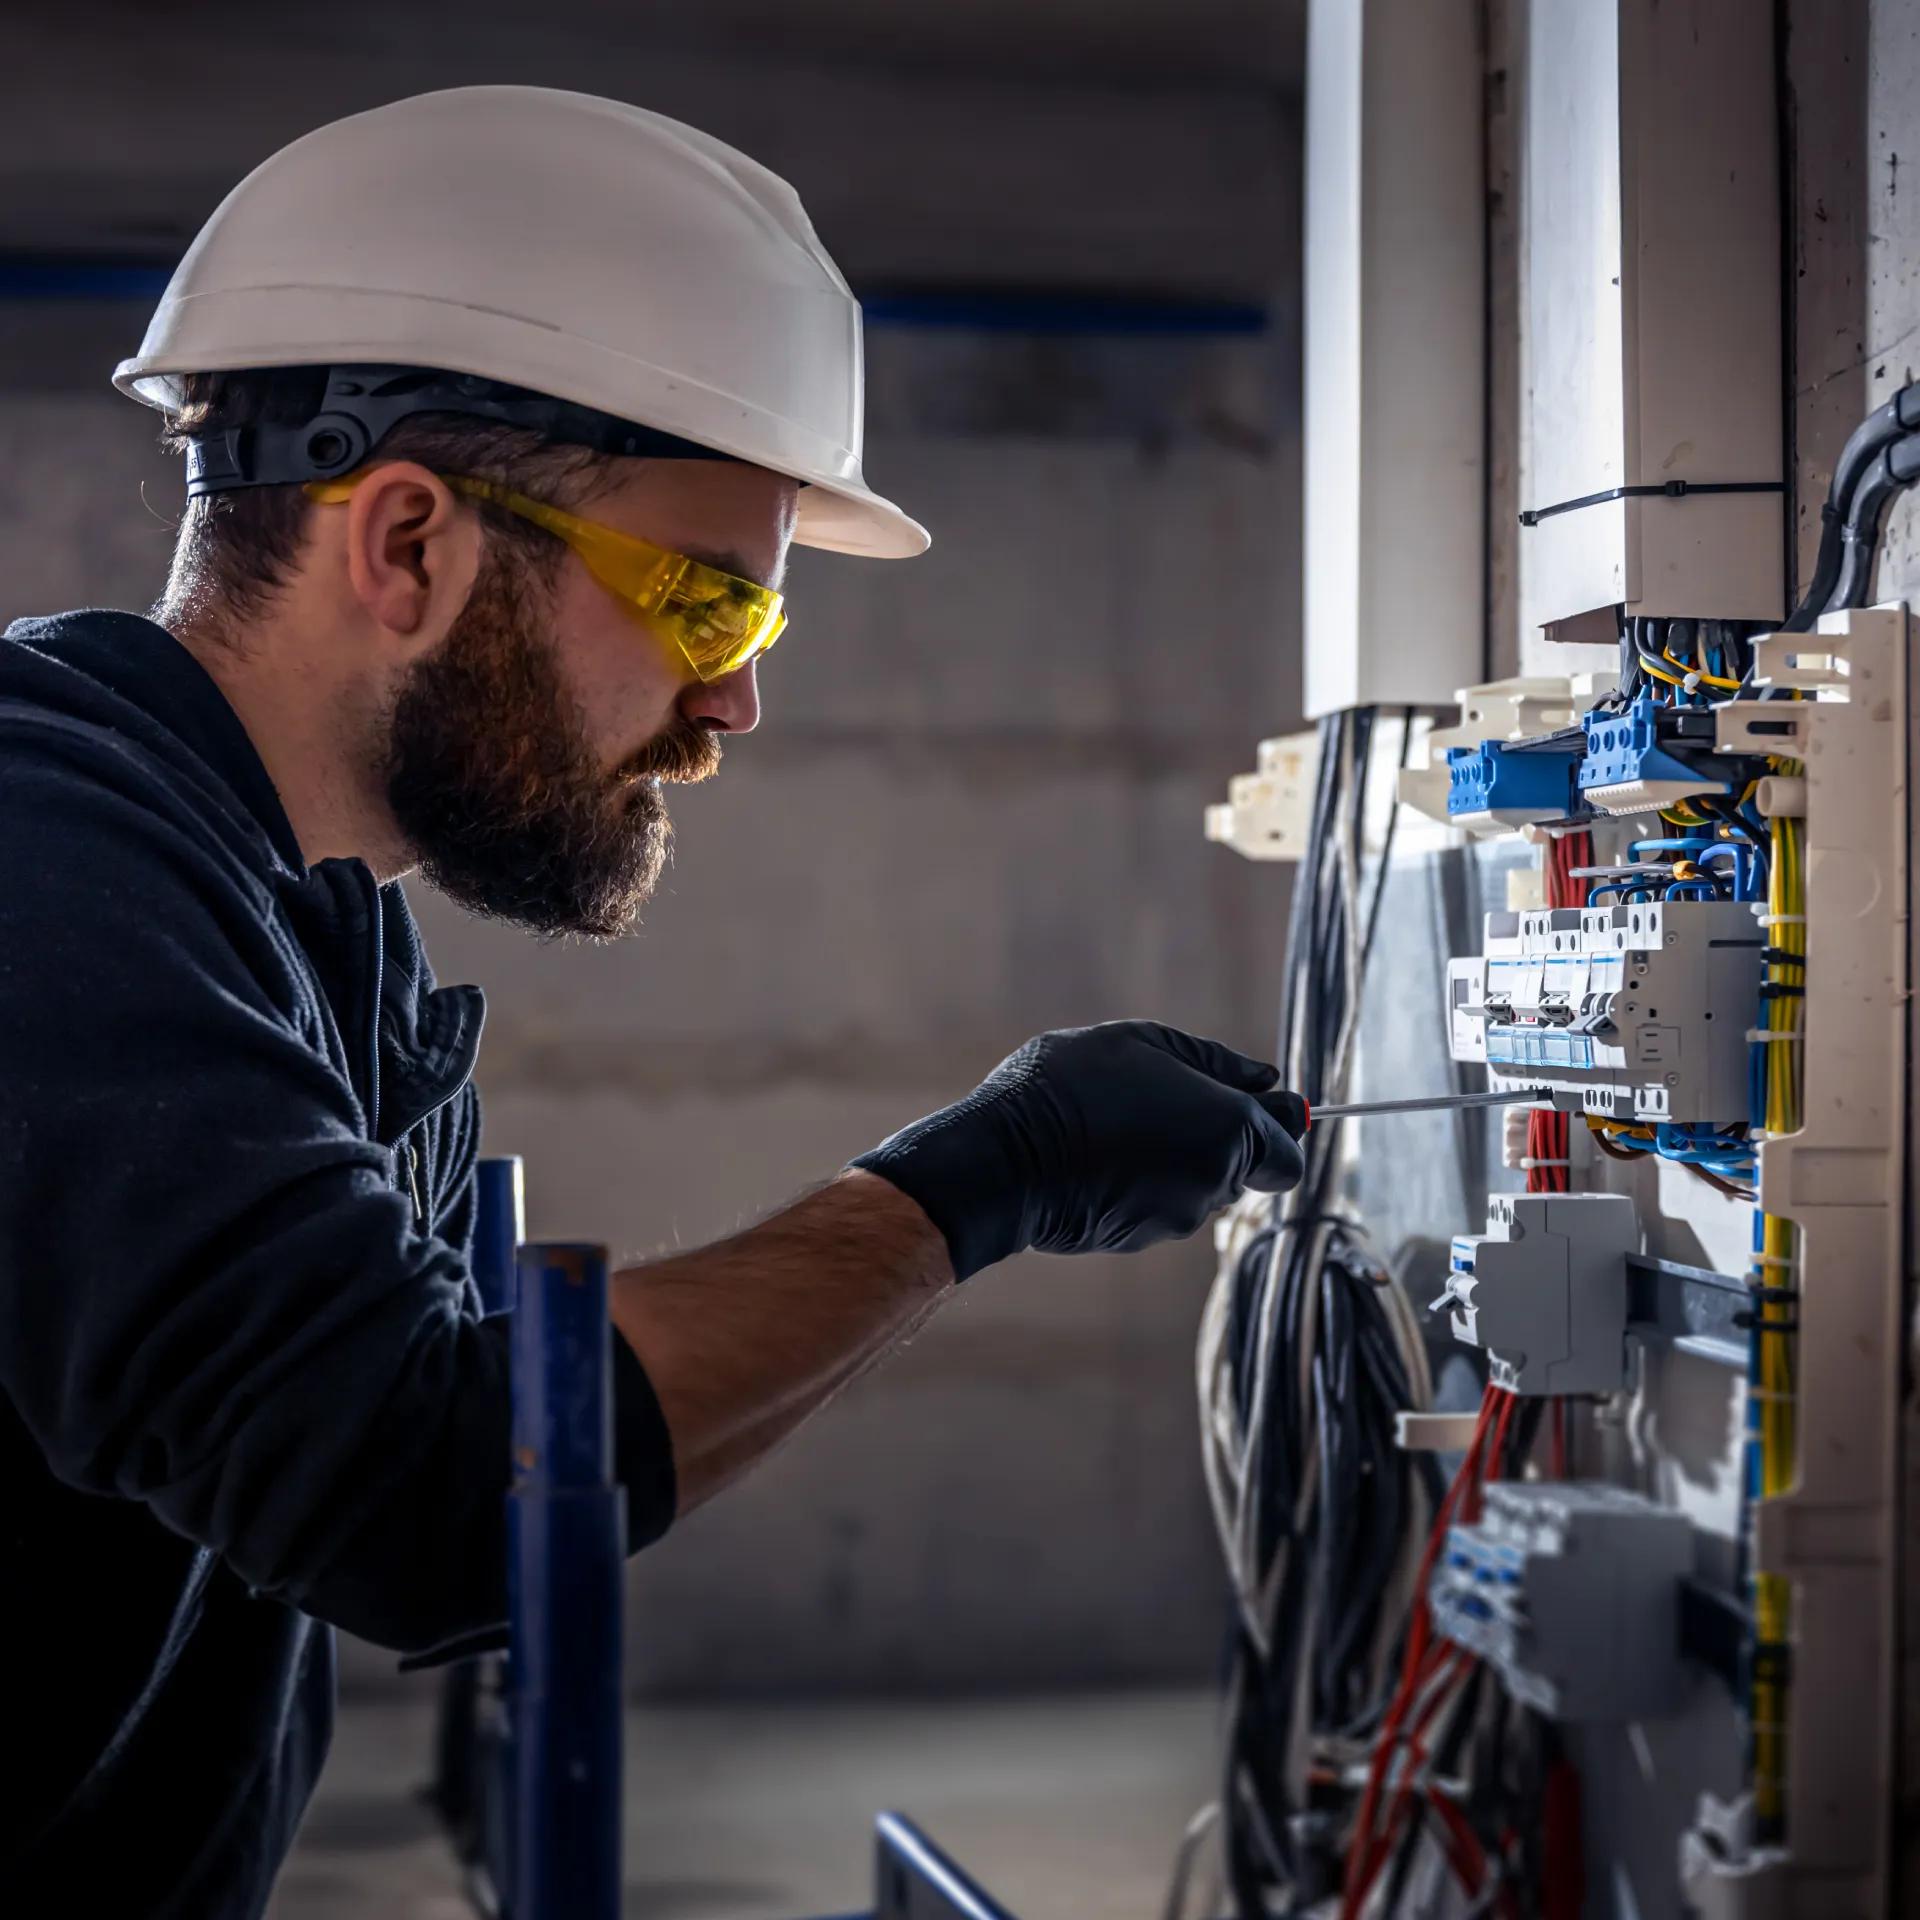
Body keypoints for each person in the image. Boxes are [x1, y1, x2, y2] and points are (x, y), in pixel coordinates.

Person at [0, 88, 1306, 1917]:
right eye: (706, 607)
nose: (732, 707)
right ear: (407, 545)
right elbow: (438, 1492)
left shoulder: (319, 929)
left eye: (757, 632)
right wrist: (977, 1184)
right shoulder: (44, 860)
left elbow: (488, 1495)